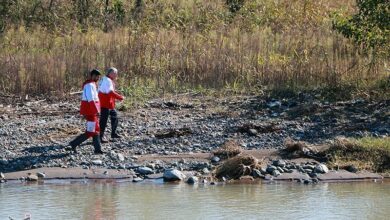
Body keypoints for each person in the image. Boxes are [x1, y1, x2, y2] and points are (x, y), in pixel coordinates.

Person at [68, 69, 104, 154]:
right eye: (96, 76)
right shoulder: (89, 85)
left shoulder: (93, 84)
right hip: (90, 111)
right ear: (92, 76)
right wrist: (96, 110)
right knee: (91, 131)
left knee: (96, 129)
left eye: (98, 76)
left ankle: (98, 149)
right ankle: (73, 143)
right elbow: (90, 99)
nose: (98, 78)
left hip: (92, 111)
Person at [98, 67, 124, 143]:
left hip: (108, 103)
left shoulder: (104, 79)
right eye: (115, 73)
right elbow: (110, 92)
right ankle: (100, 137)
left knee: (115, 117)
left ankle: (113, 133)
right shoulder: (108, 80)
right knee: (103, 121)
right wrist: (120, 97)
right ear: (111, 73)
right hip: (105, 103)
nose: (116, 75)